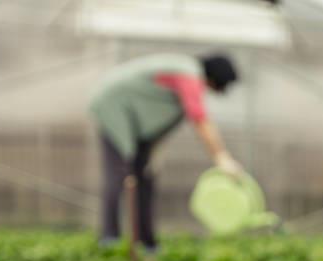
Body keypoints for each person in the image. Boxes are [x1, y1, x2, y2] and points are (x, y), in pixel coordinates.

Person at [89, 52, 245, 249]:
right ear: (215, 79)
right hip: (114, 111)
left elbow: (162, 120)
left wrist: (153, 153)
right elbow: (198, 118)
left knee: (145, 179)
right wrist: (221, 157)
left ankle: (145, 242)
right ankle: (109, 239)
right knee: (119, 176)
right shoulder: (188, 74)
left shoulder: (184, 72)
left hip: (135, 123)